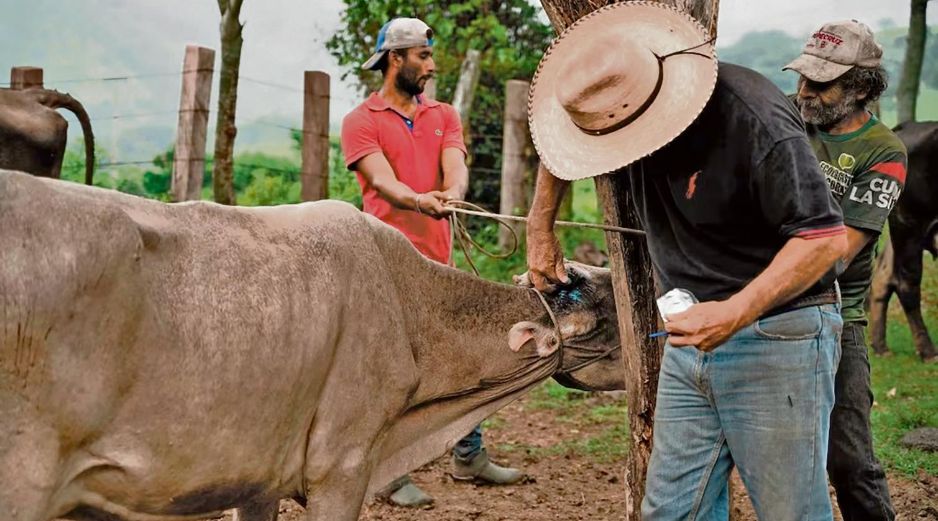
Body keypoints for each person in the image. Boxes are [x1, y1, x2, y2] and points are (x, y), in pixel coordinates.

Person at [522, 3, 848, 520]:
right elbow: (557, 142)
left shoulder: (753, 118)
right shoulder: (609, 101)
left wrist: (735, 312)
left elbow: (825, 240)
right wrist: (540, 229)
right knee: (672, 512)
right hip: (689, 339)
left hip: (777, 333)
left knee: (792, 512)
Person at [339, 17, 523, 507]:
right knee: (393, 369)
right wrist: (421, 201)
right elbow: (380, 182)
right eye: (423, 56)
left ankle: (469, 455)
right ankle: (387, 475)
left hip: (438, 259)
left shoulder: (444, 114)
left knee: (461, 353)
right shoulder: (362, 120)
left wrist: (453, 195)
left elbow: (455, 165)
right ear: (395, 59)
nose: (431, 65)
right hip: (385, 264)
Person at [784, 20, 906, 521]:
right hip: (761, 302)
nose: (805, 92)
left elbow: (838, 253)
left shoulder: (885, 151)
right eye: (802, 79)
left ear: (859, 87)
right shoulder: (787, 117)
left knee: (850, 460)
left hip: (837, 315)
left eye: (821, 83)